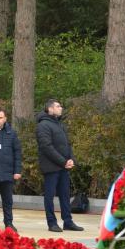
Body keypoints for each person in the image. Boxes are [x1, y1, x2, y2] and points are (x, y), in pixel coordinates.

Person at [36, 99, 84, 233]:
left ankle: (68, 222)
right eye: (58, 106)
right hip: (51, 167)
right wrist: (63, 161)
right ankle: (52, 223)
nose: (61, 108)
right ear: (50, 109)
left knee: (65, 195)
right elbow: (46, 147)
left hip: (64, 167)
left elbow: (67, 144)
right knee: (50, 196)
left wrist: (71, 160)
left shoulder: (60, 124)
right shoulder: (43, 125)